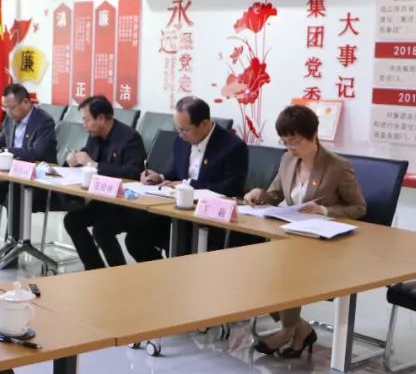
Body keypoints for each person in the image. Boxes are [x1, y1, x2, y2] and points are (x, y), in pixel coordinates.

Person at [243, 104, 366, 358]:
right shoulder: (288, 160)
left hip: (323, 245)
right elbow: (276, 194)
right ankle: (299, 328)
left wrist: (324, 210)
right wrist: (259, 194)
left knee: (283, 271)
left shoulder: (337, 166)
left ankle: (288, 331)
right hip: (290, 237)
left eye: (295, 141)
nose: (290, 148)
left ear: (314, 135)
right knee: (257, 269)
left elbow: (358, 207)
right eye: (285, 142)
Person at [125, 96, 249, 261]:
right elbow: (177, 171)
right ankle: (163, 274)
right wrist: (159, 177)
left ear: (204, 123)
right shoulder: (181, 140)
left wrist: (187, 184)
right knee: (136, 240)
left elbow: (232, 187)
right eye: (177, 128)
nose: (180, 134)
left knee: (182, 249)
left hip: (210, 220)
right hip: (177, 213)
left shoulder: (233, 146)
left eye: (185, 130)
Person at [0, 83, 58, 258]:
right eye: (4, 107)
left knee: (15, 196)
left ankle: (11, 251)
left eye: (11, 107)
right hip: (15, 178)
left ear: (26, 103)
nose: (7, 112)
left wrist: (6, 151)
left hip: (38, 183)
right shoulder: (9, 119)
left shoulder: (44, 122)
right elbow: (1, 143)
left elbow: (38, 152)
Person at [61, 95, 145, 270]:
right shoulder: (94, 135)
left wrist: (95, 165)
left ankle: (118, 275)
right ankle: (94, 269)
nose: (83, 124)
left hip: (127, 205)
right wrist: (72, 160)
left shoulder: (130, 138)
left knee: (102, 229)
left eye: (86, 119)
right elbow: (85, 156)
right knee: (72, 220)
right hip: (103, 201)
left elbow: (133, 173)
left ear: (100, 118)